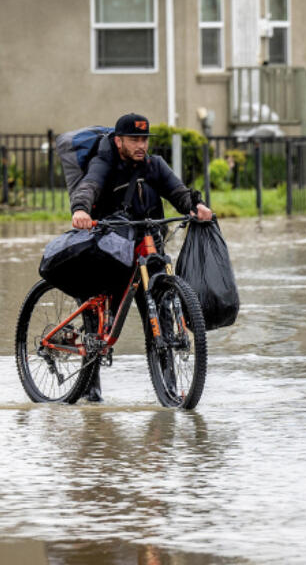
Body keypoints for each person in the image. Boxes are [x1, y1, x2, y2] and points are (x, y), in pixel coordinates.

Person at [69, 112, 213, 402]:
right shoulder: (104, 162)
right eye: (134, 139)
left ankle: (170, 387)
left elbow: (178, 192)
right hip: (110, 246)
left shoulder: (155, 165)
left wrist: (196, 206)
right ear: (119, 140)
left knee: (160, 312)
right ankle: (90, 383)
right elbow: (90, 185)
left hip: (149, 245)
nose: (141, 145)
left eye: (144, 139)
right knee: (96, 315)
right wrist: (81, 209)